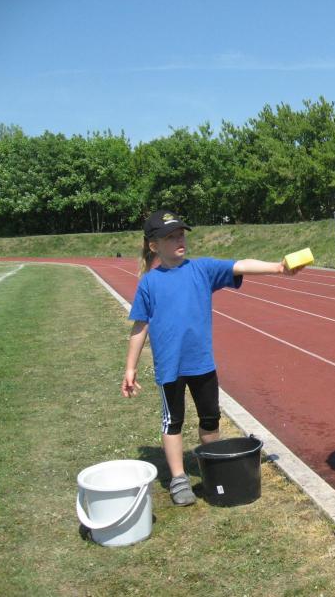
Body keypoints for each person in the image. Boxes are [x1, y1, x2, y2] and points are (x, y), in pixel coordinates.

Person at [122, 209, 298, 506]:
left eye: (181, 234)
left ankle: (212, 464)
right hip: (170, 368)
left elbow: (240, 265)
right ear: (154, 245)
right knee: (173, 421)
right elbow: (140, 326)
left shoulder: (201, 269)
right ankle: (179, 478)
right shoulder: (149, 283)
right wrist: (130, 368)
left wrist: (278, 268)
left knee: (210, 418)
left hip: (202, 363)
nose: (180, 240)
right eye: (171, 237)